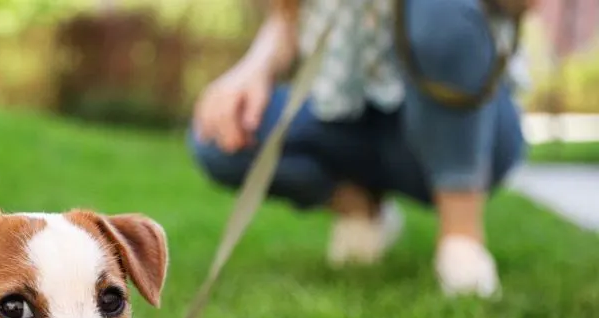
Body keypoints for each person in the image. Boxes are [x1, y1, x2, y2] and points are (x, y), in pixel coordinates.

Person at [189, 0, 534, 297]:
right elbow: (289, 16)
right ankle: (362, 208)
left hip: (473, 130)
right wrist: (252, 70)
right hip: (346, 115)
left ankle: (462, 240)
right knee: (217, 137)